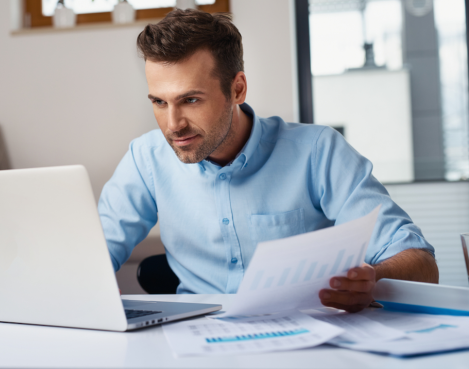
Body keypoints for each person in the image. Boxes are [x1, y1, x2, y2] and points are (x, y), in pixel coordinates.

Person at [98, 9, 438, 313]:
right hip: (195, 341)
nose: (173, 124)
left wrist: (373, 280)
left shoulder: (317, 152)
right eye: (159, 101)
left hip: (307, 341)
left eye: (190, 99)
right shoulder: (146, 158)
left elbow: (421, 264)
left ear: (237, 89)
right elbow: (94, 251)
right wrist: (88, 281)